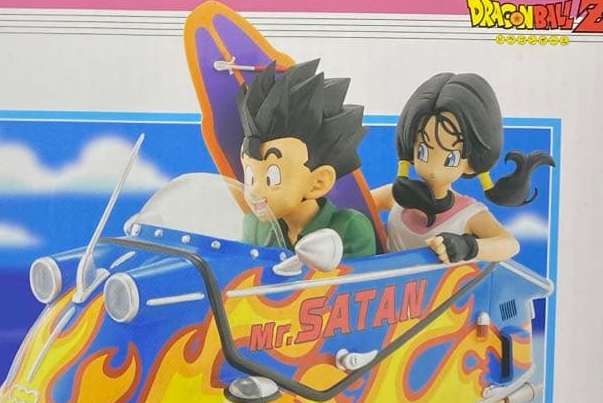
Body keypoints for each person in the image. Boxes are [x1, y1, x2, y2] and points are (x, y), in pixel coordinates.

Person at [371, 72, 553, 263]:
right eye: (422, 150)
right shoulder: (394, 195)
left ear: (471, 164)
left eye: (451, 157)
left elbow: (509, 244)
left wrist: (467, 246)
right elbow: (356, 203)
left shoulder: (467, 214)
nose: (433, 169)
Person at [237, 59, 376, 257]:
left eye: (272, 178)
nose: (254, 191)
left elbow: (353, 276)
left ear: (318, 182)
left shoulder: (348, 228)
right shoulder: (256, 226)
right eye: (250, 177)